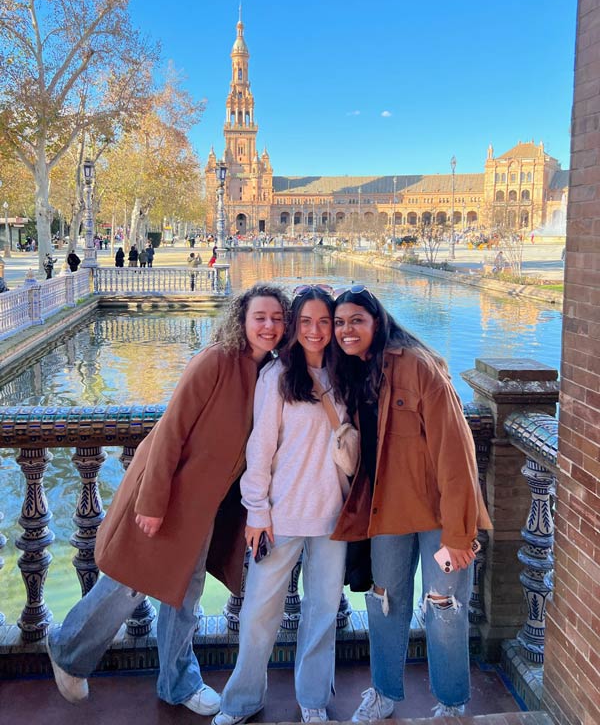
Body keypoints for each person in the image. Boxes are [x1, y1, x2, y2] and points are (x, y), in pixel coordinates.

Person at [47, 283, 289, 715]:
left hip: (205, 509)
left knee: (184, 594)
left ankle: (177, 682)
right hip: (171, 498)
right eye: (260, 317)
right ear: (243, 320)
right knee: (129, 582)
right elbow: (170, 431)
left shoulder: (269, 373)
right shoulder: (215, 361)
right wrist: (152, 502)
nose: (269, 326)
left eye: (277, 318)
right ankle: (68, 650)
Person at [330, 285, 492, 721]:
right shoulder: (350, 371)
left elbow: (455, 452)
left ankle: (453, 703)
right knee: (384, 603)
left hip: (440, 516)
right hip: (388, 511)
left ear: (377, 321)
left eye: (356, 321)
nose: (347, 330)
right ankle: (383, 692)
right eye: (339, 322)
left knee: (444, 611)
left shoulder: (417, 366)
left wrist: (459, 533)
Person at [213, 285, 349, 725]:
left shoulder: (344, 375)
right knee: (258, 614)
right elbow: (260, 447)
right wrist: (257, 509)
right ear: (295, 326)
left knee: (323, 613)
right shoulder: (276, 377)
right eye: (306, 321)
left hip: (332, 518)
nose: (315, 330)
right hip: (281, 516)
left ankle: (312, 699)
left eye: (323, 322)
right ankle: (242, 699)